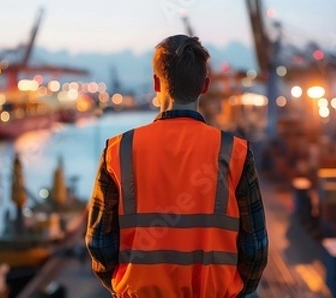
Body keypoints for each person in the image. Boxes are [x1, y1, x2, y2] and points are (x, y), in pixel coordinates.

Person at [85, 34, 268, 298]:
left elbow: (99, 242)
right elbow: (256, 248)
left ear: (156, 83)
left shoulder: (119, 150)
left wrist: (122, 286)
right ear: (205, 85)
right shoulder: (235, 152)